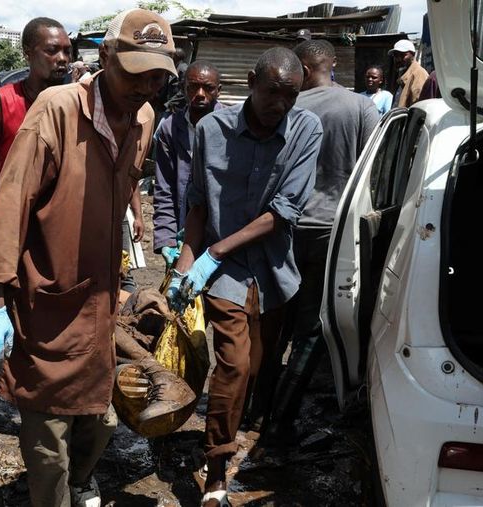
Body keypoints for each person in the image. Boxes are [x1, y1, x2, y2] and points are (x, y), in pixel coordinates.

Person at [0, 9, 176, 507]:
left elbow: (122, 193)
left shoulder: (145, 117)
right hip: (48, 300)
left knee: (100, 416)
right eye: (134, 72)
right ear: (105, 57)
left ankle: (81, 483)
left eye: (156, 75)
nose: (144, 86)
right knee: (48, 442)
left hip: (100, 301)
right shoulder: (57, 110)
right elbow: (12, 202)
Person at [167, 47, 322, 506]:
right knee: (232, 365)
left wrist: (214, 251)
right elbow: (197, 202)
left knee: (257, 367)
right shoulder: (211, 129)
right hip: (225, 274)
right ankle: (217, 469)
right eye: (272, 92)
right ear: (251, 82)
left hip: (273, 270)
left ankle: (241, 422)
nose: (280, 104)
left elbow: (284, 212)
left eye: (290, 95)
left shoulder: (306, 131)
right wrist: (182, 267)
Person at [253, 40, 379, 453]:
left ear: (302, 69)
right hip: (331, 232)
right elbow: (371, 174)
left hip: (282, 227)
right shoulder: (360, 108)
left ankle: (256, 409)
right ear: (331, 64)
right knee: (310, 330)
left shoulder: (285, 107)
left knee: (273, 324)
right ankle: (281, 422)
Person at [0, 18, 70, 218]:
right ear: (27, 54)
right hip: (16, 221)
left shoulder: (76, 102)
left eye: (67, 51)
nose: (62, 58)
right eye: (52, 50)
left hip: (63, 222)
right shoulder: (1, 101)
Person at [152, 60, 223, 267]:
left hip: (220, 236)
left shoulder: (232, 126)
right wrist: (166, 238)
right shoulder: (170, 128)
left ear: (218, 90)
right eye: (193, 87)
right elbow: (164, 189)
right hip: (182, 233)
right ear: (183, 88)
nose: (200, 93)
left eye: (208, 88)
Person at [389, 39, 428, 108]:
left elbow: (418, 105)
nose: (398, 59)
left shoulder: (419, 73)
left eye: (403, 55)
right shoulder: (402, 74)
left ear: (413, 54)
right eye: (395, 55)